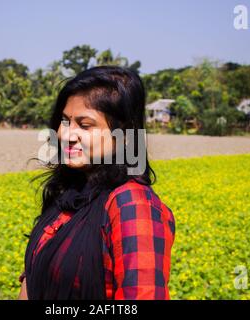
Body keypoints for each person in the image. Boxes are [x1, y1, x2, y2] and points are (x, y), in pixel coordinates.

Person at [18, 66, 175, 300]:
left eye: (85, 125)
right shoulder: (71, 190)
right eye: (65, 120)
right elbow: (36, 274)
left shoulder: (132, 204)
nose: (66, 135)